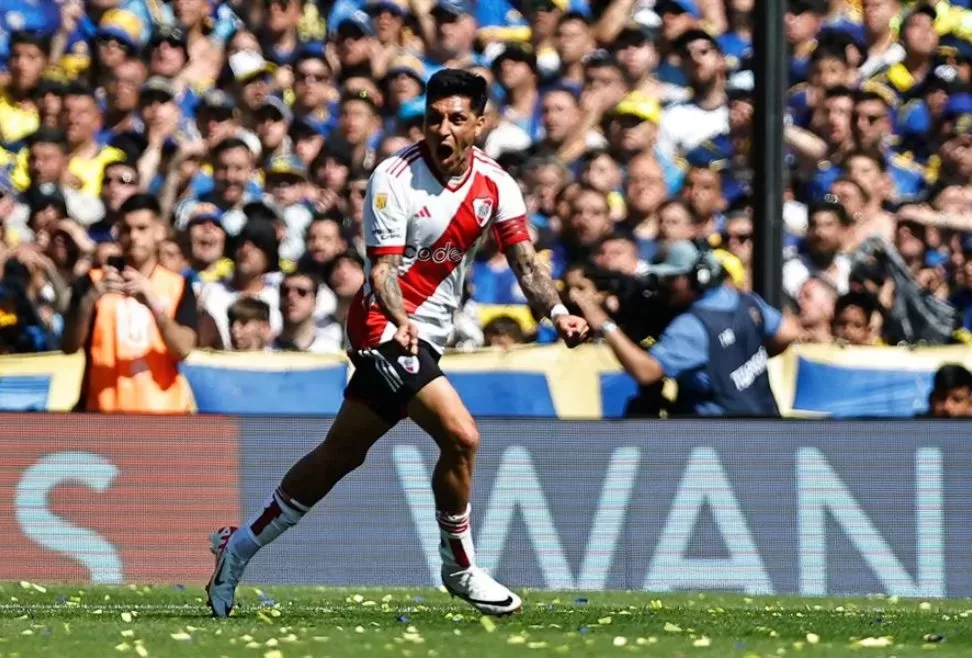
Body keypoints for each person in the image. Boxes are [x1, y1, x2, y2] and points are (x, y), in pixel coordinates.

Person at [205, 69, 588, 618]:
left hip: (426, 336)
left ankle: (236, 547)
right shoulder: (395, 176)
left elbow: (525, 262)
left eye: (457, 119)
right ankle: (459, 566)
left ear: (480, 123)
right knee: (461, 435)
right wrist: (400, 318)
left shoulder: (497, 184)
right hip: (383, 330)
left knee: (340, 455)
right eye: (434, 118)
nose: (443, 129)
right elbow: (382, 270)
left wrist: (557, 312)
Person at [572, 239, 799, 416]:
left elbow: (646, 372)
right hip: (768, 427)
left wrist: (604, 323)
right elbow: (786, 332)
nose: (664, 285)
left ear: (698, 276)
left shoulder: (691, 326)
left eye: (672, 278)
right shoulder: (745, 301)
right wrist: (738, 356)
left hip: (717, 438)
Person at [61, 194, 198, 412]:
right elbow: (69, 346)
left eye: (142, 228)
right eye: (126, 229)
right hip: (104, 415)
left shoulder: (178, 285)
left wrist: (154, 305)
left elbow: (183, 348)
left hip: (166, 416)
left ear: (159, 232)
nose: (134, 237)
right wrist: (89, 301)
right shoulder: (92, 282)